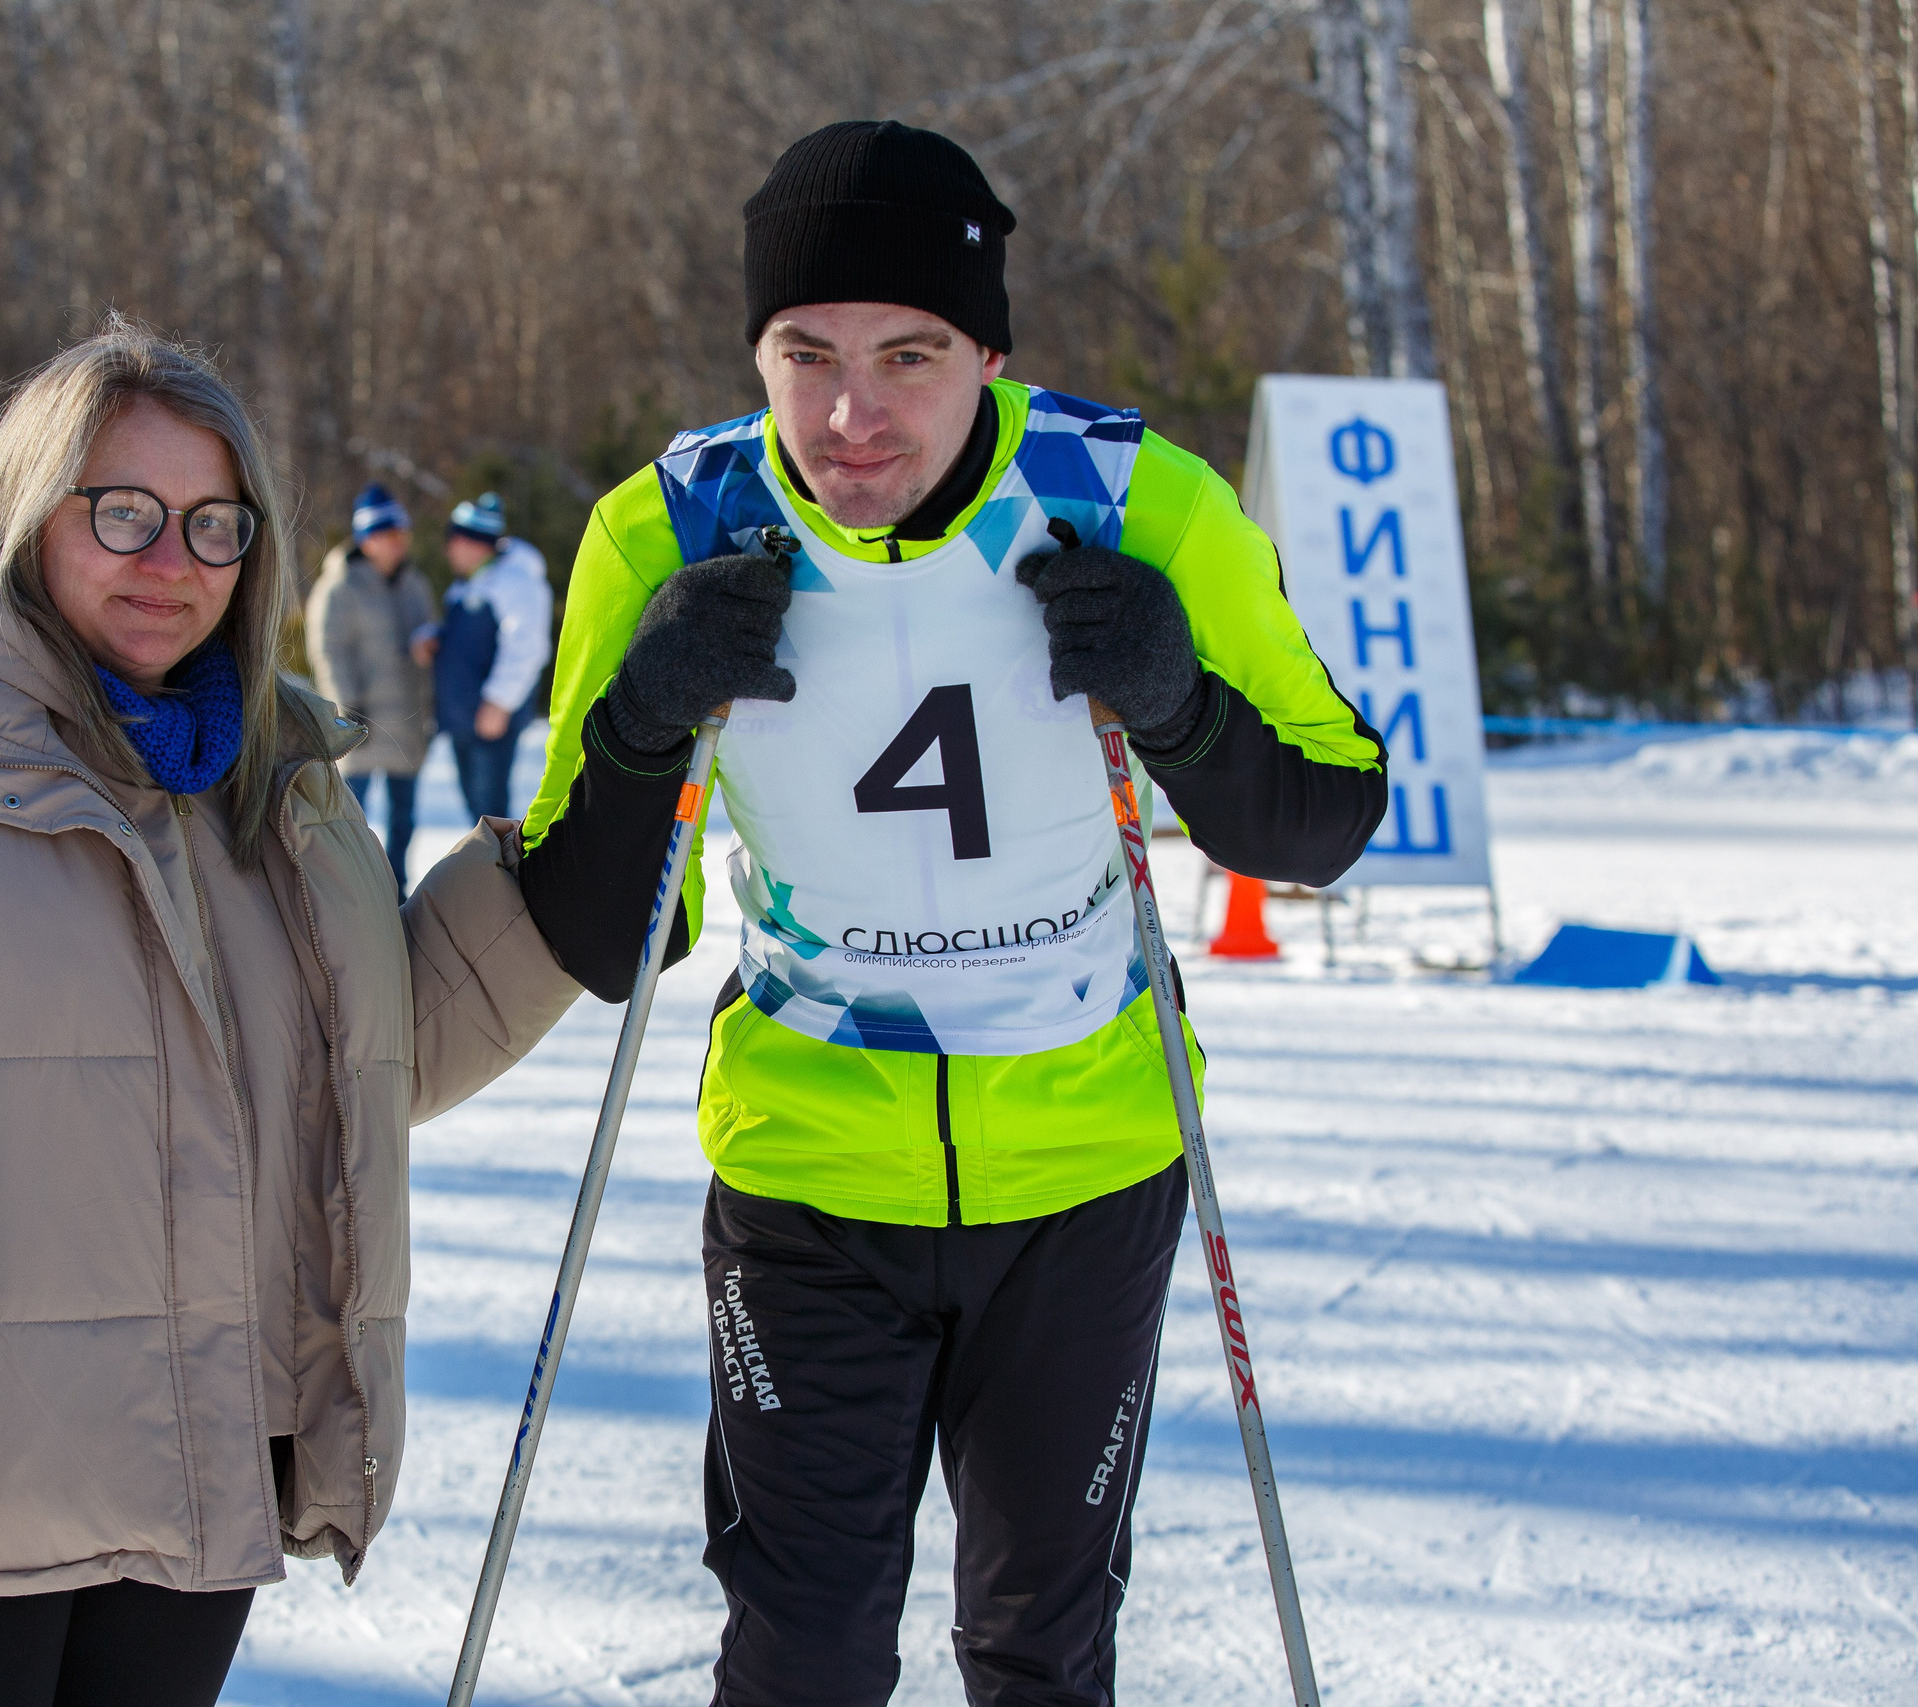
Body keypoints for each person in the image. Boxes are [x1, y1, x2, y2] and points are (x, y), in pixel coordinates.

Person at [514, 123, 1389, 1706]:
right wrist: (644, 713)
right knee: (805, 1649)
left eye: (911, 355)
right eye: (807, 354)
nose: (854, 414)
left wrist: (1179, 697)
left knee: (1042, 1641)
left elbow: (1326, 816)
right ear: (755, 353)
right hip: (805, 1177)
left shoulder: (1131, 500)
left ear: (991, 350)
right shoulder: (673, 532)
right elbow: (602, 938)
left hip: (1086, 1162)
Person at [0, 318, 592, 1707]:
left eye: (215, 524)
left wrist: (593, 861)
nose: (175, 564)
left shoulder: (271, 776)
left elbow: (360, 1061)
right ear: (33, 510)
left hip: (200, 1460)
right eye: (126, 514)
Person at [306, 482, 437, 890]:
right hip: (361, 723)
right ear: (367, 539)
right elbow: (329, 652)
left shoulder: (416, 584)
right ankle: (351, 891)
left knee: (404, 819)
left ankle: (395, 892)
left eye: (401, 534)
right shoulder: (339, 586)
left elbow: (428, 635)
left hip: (408, 722)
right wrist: (347, 711)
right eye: (387, 535)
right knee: (349, 818)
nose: (397, 543)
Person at [432, 491, 553, 823]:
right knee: (476, 810)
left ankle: (500, 874)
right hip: (466, 719)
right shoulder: (467, 585)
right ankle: (487, 871)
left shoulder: (515, 582)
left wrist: (499, 702)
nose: (448, 550)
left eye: (453, 541)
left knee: (489, 814)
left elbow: (527, 647)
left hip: (489, 720)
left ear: (473, 543)